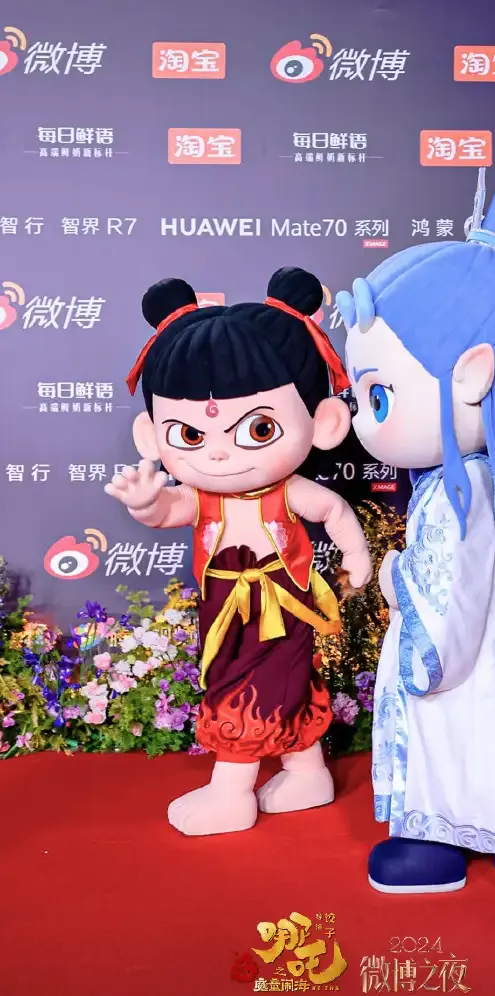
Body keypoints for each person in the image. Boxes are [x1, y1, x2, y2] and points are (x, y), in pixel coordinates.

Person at [335, 170, 495, 894]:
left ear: (472, 377)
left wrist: (396, 583)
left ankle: (464, 832)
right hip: (473, 655)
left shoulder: (458, 493)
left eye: (378, 397)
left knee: (454, 734)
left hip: (454, 657)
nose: (363, 420)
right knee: (473, 735)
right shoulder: (460, 483)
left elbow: (450, 602)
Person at [105, 267, 372, 836]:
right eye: (191, 436)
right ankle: (307, 775)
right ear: (152, 435)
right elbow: (166, 512)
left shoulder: (288, 491)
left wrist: (357, 558)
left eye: (256, 430)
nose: (219, 454)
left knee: (251, 692)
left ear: (323, 423)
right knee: (280, 688)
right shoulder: (202, 498)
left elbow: (333, 511)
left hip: (282, 610)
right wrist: (145, 503)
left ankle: (232, 793)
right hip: (226, 615)